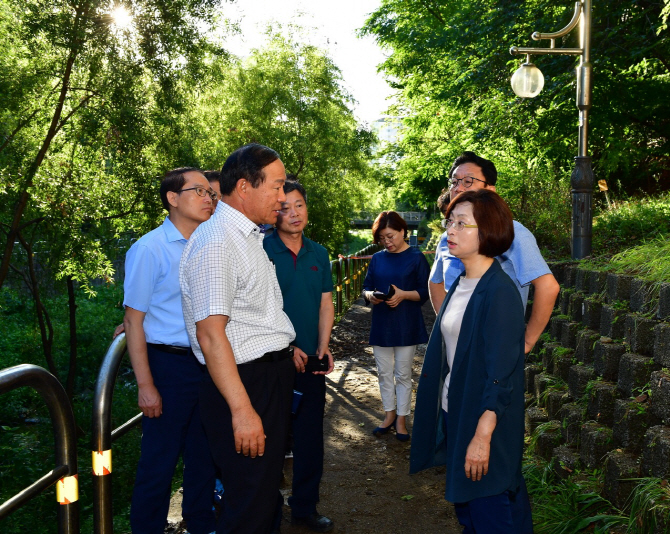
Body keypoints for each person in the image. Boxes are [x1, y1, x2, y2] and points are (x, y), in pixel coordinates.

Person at [179, 143, 296, 534]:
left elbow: (250, 317)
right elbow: (211, 336)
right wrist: (242, 410)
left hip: (264, 379)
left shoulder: (248, 236)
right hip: (245, 385)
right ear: (245, 187)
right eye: (277, 187)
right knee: (249, 502)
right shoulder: (217, 242)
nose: (283, 197)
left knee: (262, 495)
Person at [411, 189, 533, 533]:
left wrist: (482, 436)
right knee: (473, 513)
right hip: (457, 411)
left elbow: (501, 374)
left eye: (462, 223)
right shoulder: (463, 283)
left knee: (490, 513)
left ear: (488, 231)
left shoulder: (500, 292)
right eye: (450, 221)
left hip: (483, 421)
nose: (450, 230)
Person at [123, 167, 217, 534]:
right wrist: (146, 385)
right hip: (168, 365)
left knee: (203, 455)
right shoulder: (149, 249)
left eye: (211, 192)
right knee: (159, 461)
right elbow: (134, 320)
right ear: (172, 198)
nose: (208, 198)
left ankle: (200, 523)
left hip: (208, 363)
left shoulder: (211, 245)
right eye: (199, 191)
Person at [428, 151, 559, 354]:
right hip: (454, 346)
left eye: (468, 181)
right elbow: (435, 282)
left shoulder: (512, 233)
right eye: (454, 181)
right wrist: (444, 323)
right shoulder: (448, 236)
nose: (458, 187)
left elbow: (548, 287)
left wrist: (526, 343)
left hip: (494, 347)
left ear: (491, 189)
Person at [263, 178, 335, 533]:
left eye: (299, 206)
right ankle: (268, 512)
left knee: (309, 440)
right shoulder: (261, 250)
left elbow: (325, 302)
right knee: (271, 441)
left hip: (311, 365)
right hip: (272, 362)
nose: (293, 213)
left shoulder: (319, 253)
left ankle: (305, 508)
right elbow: (258, 308)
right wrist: (287, 346)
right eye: (285, 207)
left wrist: (324, 344)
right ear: (274, 213)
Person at [362, 211, 430, 440]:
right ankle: (389, 415)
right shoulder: (378, 258)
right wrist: (371, 295)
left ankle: (402, 418)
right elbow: (366, 287)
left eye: (390, 236)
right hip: (381, 322)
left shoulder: (416, 257)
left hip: (406, 323)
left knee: (402, 374)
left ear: (403, 231)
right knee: (383, 373)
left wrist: (402, 295)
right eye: (382, 238)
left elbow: (425, 292)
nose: (387, 242)